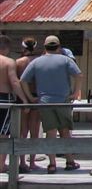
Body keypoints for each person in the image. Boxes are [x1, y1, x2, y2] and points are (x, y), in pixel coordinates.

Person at [19, 35, 83, 173]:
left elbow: (23, 80)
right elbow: (79, 75)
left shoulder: (37, 62)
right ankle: (70, 161)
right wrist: (75, 92)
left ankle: (52, 164)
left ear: (45, 47)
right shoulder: (66, 60)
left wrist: (30, 97)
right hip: (63, 101)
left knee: (50, 132)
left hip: (45, 102)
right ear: (59, 47)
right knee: (65, 131)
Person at [0, 36, 30, 173]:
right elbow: (14, 82)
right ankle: (0, 165)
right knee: (4, 133)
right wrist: (24, 99)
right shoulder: (8, 62)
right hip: (4, 99)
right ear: (6, 48)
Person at [15, 37, 42, 172]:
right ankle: (32, 162)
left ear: (23, 47)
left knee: (22, 132)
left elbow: (16, 82)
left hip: (22, 99)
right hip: (36, 98)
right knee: (34, 131)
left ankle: (22, 162)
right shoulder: (39, 61)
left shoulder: (18, 62)